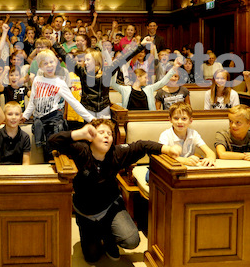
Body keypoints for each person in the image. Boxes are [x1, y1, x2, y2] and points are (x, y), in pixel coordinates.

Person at [48, 119, 179, 262]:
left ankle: (108, 236)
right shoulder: (81, 150)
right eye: (101, 132)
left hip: (110, 207)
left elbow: (142, 145)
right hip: (85, 213)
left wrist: (168, 149)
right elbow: (52, 141)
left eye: (109, 134)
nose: (106, 136)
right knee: (91, 257)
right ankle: (95, 234)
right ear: (91, 137)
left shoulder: (117, 153)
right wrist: (80, 133)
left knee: (131, 240)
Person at [111, 58, 182, 111]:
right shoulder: (125, 89)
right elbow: (112, 84)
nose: (147, 80)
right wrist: (115, 68)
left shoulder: (149, 89)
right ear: (138, 77)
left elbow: (162, 82)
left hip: (147, 119)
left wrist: (175, 67)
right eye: (145, 77)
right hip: (130, 120)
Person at [159, 102, 216, 167]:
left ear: (190, 121)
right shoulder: (165, 135)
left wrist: (210, 158)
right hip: (171, 168)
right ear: (170, 119)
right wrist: (185, 161)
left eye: (184, 119)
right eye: (176, 118)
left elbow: (209, 152)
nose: (180, 122)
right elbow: (162, 157)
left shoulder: (193, 133)